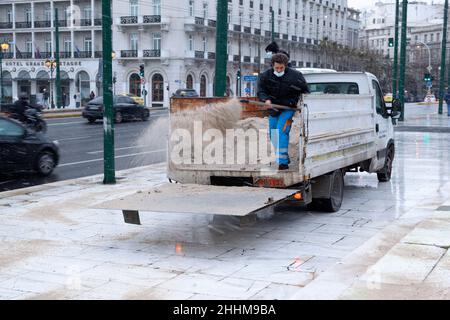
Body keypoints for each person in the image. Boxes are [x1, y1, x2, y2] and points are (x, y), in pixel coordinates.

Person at [257, 53, 309, 171]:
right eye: (277, 68)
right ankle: (284, 156)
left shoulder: (295, 76)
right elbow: (261, 91)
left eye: (281, 68)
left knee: (282, 131)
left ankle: (283, 163)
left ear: (285, 66)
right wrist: (266, 99)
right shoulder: (265, 76)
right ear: (272, 66)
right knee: (274, 134)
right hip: (273, 109)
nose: (279, 70)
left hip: (288, 109)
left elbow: (305, 90)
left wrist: (295, 100)